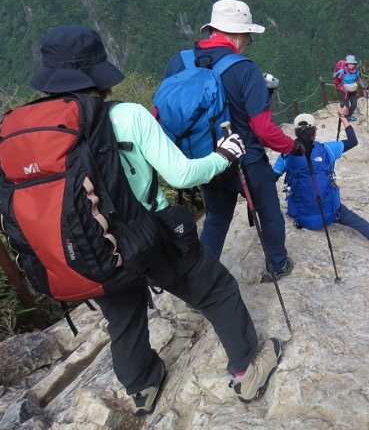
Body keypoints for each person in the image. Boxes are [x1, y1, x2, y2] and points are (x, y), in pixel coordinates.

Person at [27, 25, 282, 416]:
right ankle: (247, 372)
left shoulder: (31, 131)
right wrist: (225, 156)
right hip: (149, 236)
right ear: (97, 73)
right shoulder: (127, 115)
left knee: (122, 317)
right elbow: (181, 174)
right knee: (217, 290)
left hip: (88, 247)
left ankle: (143, 387)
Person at [162, 0, 305, 282]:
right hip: (246, 162)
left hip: (205, 158)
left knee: (216, 216)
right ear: (238, 34)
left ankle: (200, 279)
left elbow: (161, 113)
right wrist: (292, 147)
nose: (248, 42)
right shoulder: (245, 70)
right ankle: (277, 263)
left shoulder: (179, 62)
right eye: (248, 37)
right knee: (269, 212)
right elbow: (264, 130)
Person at [274, 109, 369, 254]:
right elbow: (353, 141)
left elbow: (271, 179)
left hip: (302, 217)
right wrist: (344, 118)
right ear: (315, 132)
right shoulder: (327, 149)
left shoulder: (285, 155)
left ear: (294, 133)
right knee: (355, 220)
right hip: (330, 213)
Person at [333, 54, 364, 121]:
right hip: (345, 91)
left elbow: (358, 78)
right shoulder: (343, 70)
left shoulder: (355, 71)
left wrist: (363, 86)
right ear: (347, 64)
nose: (351, 65)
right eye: (350, 63)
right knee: (346, 106)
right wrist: (336, 76)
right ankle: (346, 117)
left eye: (353, 64)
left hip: (352, 91)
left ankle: (349, 115)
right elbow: (338, 73)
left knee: (354, 105)